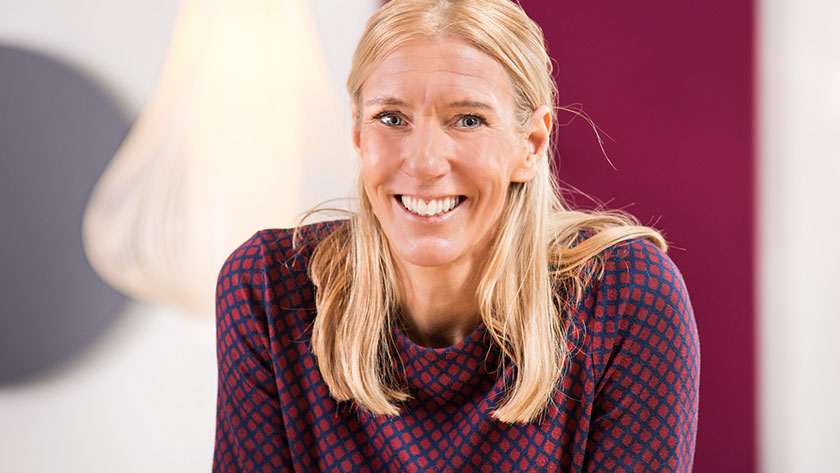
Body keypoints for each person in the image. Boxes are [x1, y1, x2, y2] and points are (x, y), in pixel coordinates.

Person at [212, 0, 700, 471]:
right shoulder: (268, 290)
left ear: (531, 145)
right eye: (391, 118)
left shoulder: (626, 297)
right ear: (358, 135)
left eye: (468, 120)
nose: (424, 162)